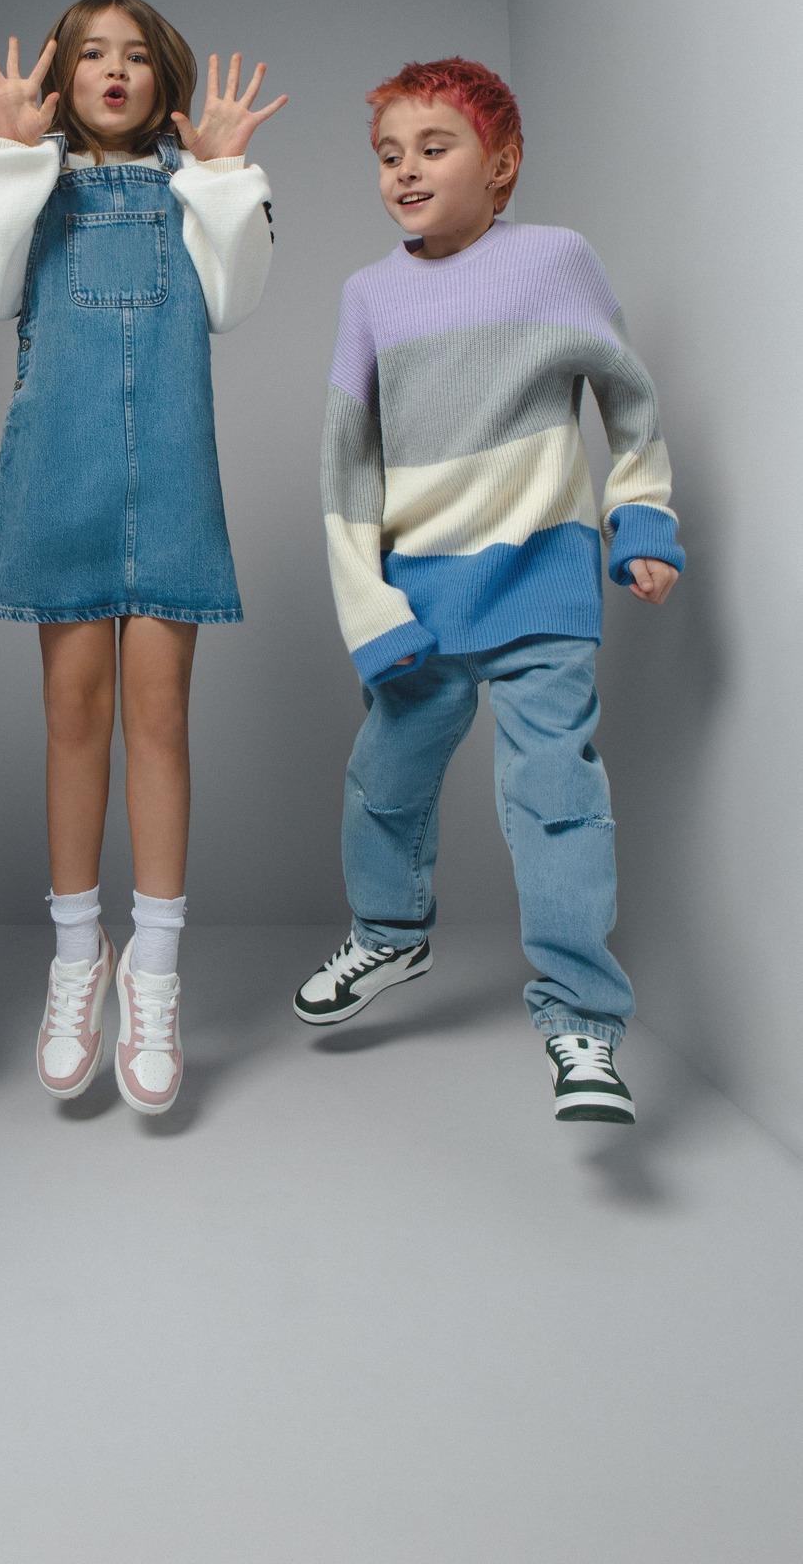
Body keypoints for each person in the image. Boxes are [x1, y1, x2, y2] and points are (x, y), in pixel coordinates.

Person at [293, 58, 683, 1123]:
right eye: (388, 155)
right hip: (418, 596)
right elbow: (344, 470)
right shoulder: (369, 296)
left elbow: (630, 403)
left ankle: (581, 1024)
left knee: (555, 800)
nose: (405, 171)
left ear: (501, 164)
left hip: (540, 579)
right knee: (382, 783)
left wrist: (641, 521)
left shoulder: (555, 260)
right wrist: (370, 608)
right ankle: (389, 933)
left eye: (434, 147)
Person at [0, 0, 284, 1115]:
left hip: (172, 474)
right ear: (59, 75)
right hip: (61, 470)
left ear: (164, 78)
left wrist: (224, 172)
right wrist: (7, 156)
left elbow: (235, 299)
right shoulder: (22, 183)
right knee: (73, 715)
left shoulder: (201, 189)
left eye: (137, 55)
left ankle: (155, 971)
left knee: (160, 717)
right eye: (91, 52)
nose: (115, 69)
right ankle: (75, 954)